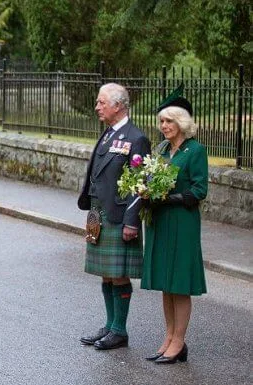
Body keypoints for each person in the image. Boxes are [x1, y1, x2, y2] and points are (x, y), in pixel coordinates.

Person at [77, 83, 151, 350]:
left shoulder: (137, 138)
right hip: (99, 213)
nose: (97, 107)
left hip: (120, 216)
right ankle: (109, 326)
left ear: (118, 106)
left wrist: (132, 221)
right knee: (105, 274)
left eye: (101, 102)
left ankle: (119, 330)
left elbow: (140, 183)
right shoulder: (108, 134)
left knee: (118, 274)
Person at [141, 95, 207, 364]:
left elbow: (199, 190)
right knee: (166, 284)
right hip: (160, 221)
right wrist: (144, 189)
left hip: (182, 221)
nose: (163, 125)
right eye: (161, 121)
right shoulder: (161, 150)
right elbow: (148, 177)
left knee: (179, 284)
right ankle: (168, 337)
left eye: (168, 120)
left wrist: (168, 197)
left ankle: (179, 341)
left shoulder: (195, 151)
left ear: (181, 122)